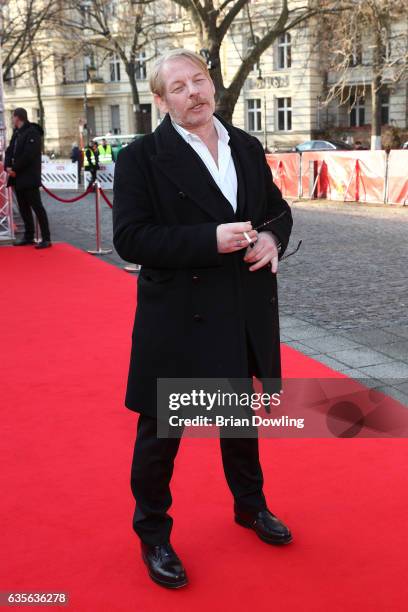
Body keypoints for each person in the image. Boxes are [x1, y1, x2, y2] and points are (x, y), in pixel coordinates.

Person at [112, 48, 294, 589]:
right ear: (161, 99)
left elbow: (278, 209)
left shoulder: (247, 143)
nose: (194, 92)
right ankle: (153, 533)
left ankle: (250, 506)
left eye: (199, 80)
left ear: (211, 84)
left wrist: (269, 237)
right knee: (161, 437)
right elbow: (130, 238)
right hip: (178, 317)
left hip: (240, 309)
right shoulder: (141, 157)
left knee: (240, 421)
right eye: (179, 86)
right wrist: (207, 240)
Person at [5, 107, 52, 248]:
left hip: (29, 177)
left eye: (13, 117)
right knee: (23, 208)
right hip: (17, 177)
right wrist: (7, 166)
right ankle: (29, 235)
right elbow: (9, 151)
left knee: (37, 207)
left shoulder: (32, 132)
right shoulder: (17, 133)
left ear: (18, 117)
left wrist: (14, 168)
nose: (12, 120)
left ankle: (46, 238)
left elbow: (28, 154)